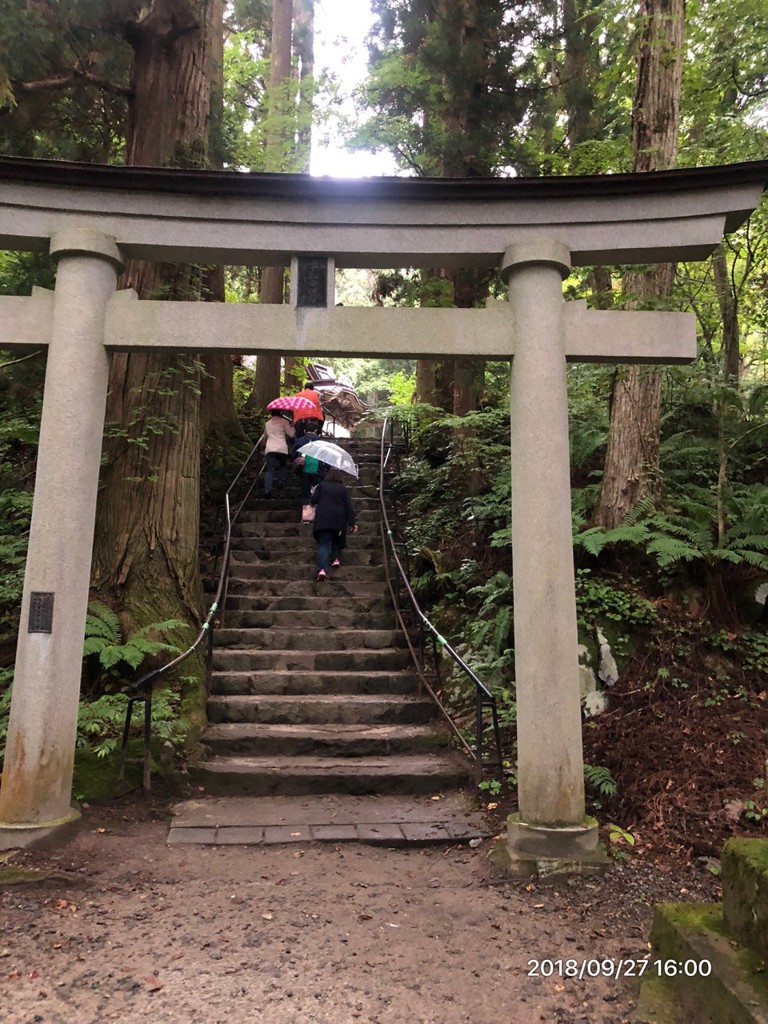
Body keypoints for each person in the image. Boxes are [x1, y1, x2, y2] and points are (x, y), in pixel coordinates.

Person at [310, 468, 357, 582]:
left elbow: (314, 500)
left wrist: (314, 492)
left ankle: (322, 570)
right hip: (339, 518)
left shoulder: (321, 485)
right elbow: (348, 506)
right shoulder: (343, 489)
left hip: (323, 518)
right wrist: (352, 523)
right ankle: (336, 558)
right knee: (336, 538)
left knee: (324, 543)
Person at [263, 410, 295, 498]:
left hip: (270, 448)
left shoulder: (267, 424)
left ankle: (267, 489)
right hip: (281, 448)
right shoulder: (284, 422)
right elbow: (291, 434)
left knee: (269, 470)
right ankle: (281, 481)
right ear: (281, 413)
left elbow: (265, 436)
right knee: (283, 466)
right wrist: (292, 427)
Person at [293, 426, 326, 507]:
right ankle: (318, 510)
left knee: (305, 492)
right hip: (317, 468)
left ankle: (307, 514)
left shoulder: (300, 441)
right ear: (315, 430)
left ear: (304, 431)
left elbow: (293, 455)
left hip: (304, 468)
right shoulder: (320, 442)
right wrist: (326, 468)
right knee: (318, 491)